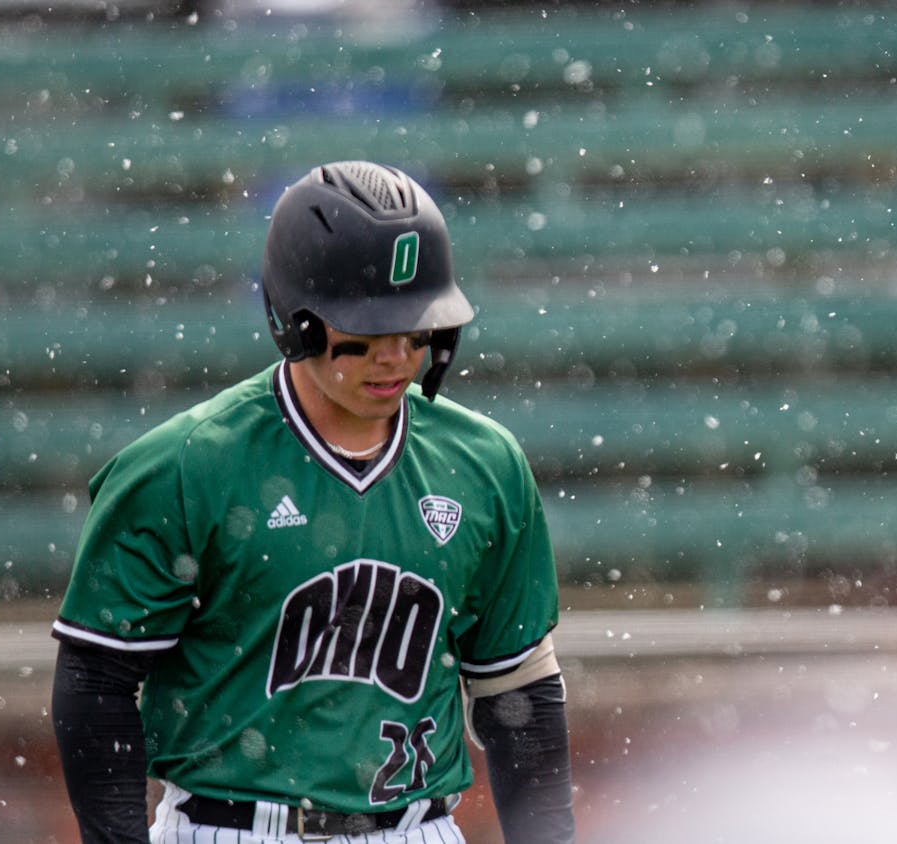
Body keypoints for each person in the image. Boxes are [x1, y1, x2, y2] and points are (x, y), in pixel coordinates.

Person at [49, 160, 575, 844]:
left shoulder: (484, 464)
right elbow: (96, 683)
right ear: (293, 318)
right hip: (231, 829)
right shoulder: (187, 464)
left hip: (419, 828)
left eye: (415, 329)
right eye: (365, 330)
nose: (394, 356)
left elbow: (518, 691)